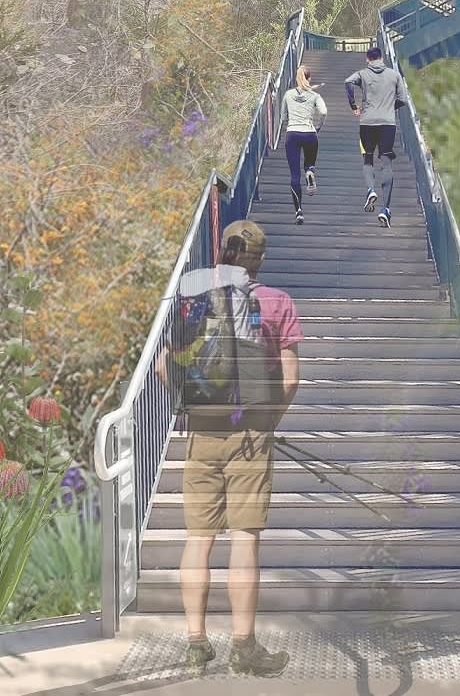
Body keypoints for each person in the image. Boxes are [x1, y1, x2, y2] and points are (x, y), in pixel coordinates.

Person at [155, 220, 302, 677]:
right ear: (259, 257)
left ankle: (197, 646)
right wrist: (268, 421)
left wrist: (187, 404)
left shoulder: (195, 300)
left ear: (222, 253)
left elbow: (163, 363)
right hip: (251, 433)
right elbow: (291, 378)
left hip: (203, 431)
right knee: (244, 540)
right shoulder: (277, 302)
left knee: (198, 540)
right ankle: (245, 648)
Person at [344, 46, 406, 227]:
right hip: (387, 124)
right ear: (381, 57)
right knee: (386, 161)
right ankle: (385, 208)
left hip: (367, 123)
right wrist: (388, 108)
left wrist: (353, 106)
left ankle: (371, 190)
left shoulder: (362, 74)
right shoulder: (394, 75)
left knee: (367, 159)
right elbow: (402, 99)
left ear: (367, 58)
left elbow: (348, 83)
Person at [282, 65, 327, 225]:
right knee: (309, 164)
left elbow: (283, 117)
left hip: (292, 134)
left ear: (296, 78)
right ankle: (309, 171)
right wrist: (318, 126)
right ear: (309, 78)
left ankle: (299, 211)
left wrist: (290, 123)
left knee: (294, 175)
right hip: (310, 134)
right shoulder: (315, 96)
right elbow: (323, 112)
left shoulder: (288, 94)